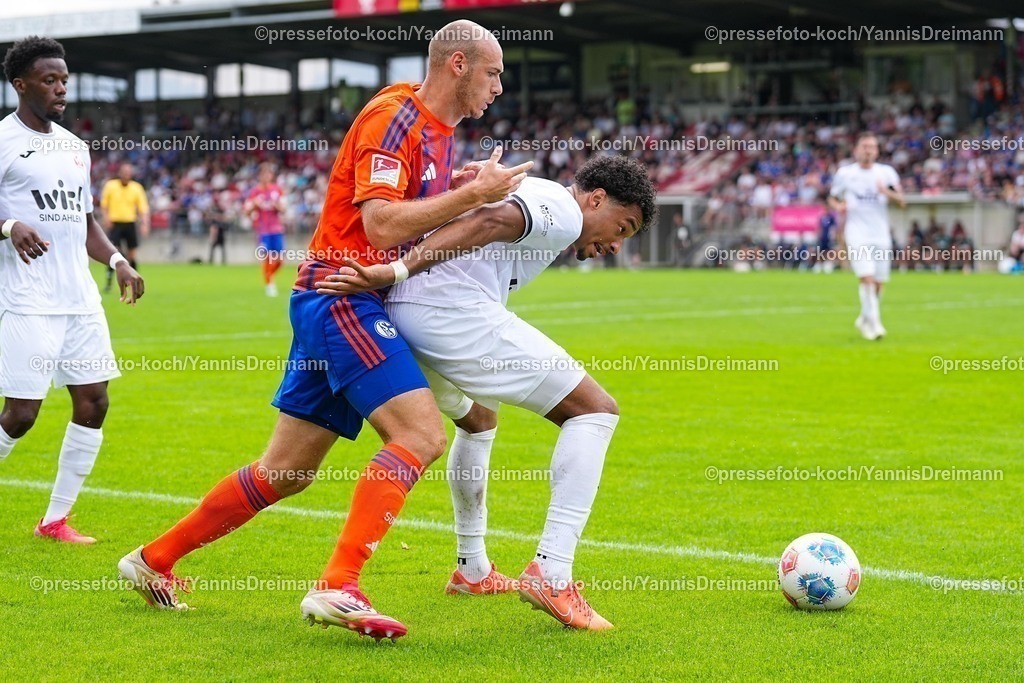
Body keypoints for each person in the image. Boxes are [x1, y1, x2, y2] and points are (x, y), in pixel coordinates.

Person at [118, 20, 532, 642]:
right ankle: (339, 586)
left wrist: (460, 188)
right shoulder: (396, 116)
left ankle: (152, 561)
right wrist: (470, 198)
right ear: (456, 64)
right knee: (420, 435)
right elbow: (386, 225)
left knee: (285, 471)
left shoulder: (436, 131)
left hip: (335, 297)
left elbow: (405, 208)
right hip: (344, 295)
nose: (500, 86)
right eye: (494, 71)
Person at [315, 155, 658, 630]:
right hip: (445, 311)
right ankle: (553, 573)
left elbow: (484, 211)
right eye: (623, 226)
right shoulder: (565, 209)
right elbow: (491, 219)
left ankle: (472, 569)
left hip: (410, 317)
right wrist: (398, 270)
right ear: (596, 199)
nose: (617, 244)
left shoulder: (543, 197)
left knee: (477, 419)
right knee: (595, 411)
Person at [0, 36, 144, 543]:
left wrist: (120, 260)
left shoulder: (74, 147)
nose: (61, 88)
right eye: (49, 79)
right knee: (21, 415)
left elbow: (85, 224)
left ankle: (54, 519)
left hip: (79, 298)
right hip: (26, 298)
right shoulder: (3, 141)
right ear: (20, 84)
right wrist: (8, 226)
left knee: (95, 402)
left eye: (64, 79)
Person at [828, 132, 905, 340]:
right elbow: (832, 198)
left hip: (880, 232)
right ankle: (875, 324)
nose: (868, 150)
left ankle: (865, 318)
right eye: (864, 146)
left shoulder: (886, 173)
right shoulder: (846, 173)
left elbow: (902, 201)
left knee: (879, 282)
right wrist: (839, 207)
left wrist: (886, 192)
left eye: (872, 146)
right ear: (856, 149)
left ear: (877, 151)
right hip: (856, 230)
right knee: (867, 277)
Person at [100, 162, 149, 293]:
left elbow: (143, 208)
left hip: (130, 223)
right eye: (124, 172)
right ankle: (109, 283)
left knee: (132, 254)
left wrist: (145, 223)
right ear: (120, 173)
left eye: (129, 172)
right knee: (113, 252)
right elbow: (104, 204)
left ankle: (135, 282)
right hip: (115, 223)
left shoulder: (136, 188)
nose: (127, 175)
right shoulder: (111, 186)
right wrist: (106, 218)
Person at [244, 163, 286, 296]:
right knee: (267, 258)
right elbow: (246, 211)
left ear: (271, 176)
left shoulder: (277, 190)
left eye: (268, 174)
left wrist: (277, 206)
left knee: (280, 260)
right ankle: (269, 284)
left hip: (277, 229)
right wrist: (254, 206)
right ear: (259, 176)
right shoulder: (255, 192)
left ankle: (269, 276)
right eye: (263, 174)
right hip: (263, 230)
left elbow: (284, 208)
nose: (266, 176)